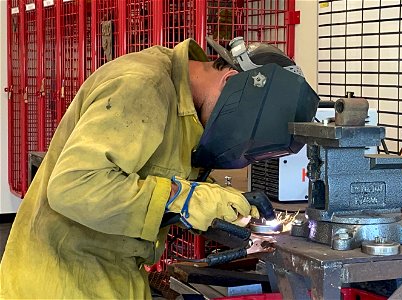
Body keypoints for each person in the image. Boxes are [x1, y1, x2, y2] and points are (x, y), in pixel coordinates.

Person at [0, 37, 318, 298]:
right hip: (60, 283)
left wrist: (231, 218)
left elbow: (143, 196)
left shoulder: (187, 114)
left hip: (114, 276)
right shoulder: (143, 86)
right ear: (231, 81)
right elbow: (75, 187)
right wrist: (188, 198)